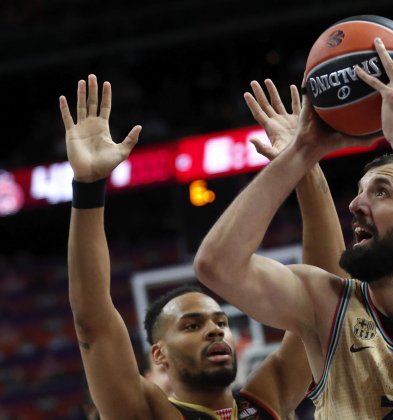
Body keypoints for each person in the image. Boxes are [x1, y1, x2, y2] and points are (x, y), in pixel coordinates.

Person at [194, 34, 393, 418]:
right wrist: (301, 153)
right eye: (360, 193)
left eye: (381, 193)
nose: (356, 204)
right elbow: (217, 266)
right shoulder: (325, 304)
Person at [61, 73, 346, 420]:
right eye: (191, 325)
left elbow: (326, 294)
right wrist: (89, 186)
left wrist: (306, 163)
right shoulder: (148, 413)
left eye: (220, 322)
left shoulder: (266, 401)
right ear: (159, 355)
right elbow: (93, 322)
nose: (215, 330)